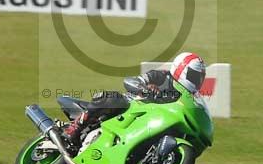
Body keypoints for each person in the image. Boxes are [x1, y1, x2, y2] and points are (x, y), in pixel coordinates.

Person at [63, 52, 207, 146]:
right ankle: (75, 127)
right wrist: (145, 89)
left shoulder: (186, 97)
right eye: (194, 76)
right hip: (130, 107)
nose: (197, 81)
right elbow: (130, 81)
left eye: (200, 78)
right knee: (112, 98)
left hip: (150, 122)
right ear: (181, 69)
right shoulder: (162, 76)